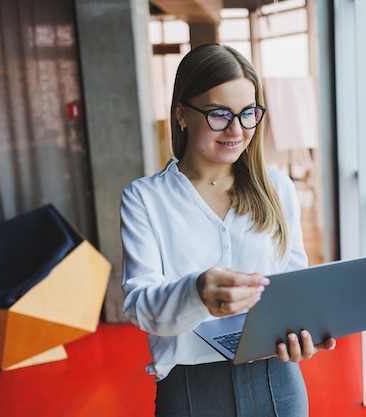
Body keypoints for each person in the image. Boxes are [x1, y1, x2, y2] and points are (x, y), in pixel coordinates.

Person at [119, 43, 336, 417]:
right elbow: (140, 305)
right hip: (189, 389)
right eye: (220, 114)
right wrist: (196, 292)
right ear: (182, 114)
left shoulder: (278, 188)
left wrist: (306, 332)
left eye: (248, 113)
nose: (237, 129)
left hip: (277, 380)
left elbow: (294, 283)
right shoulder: (145, 199)